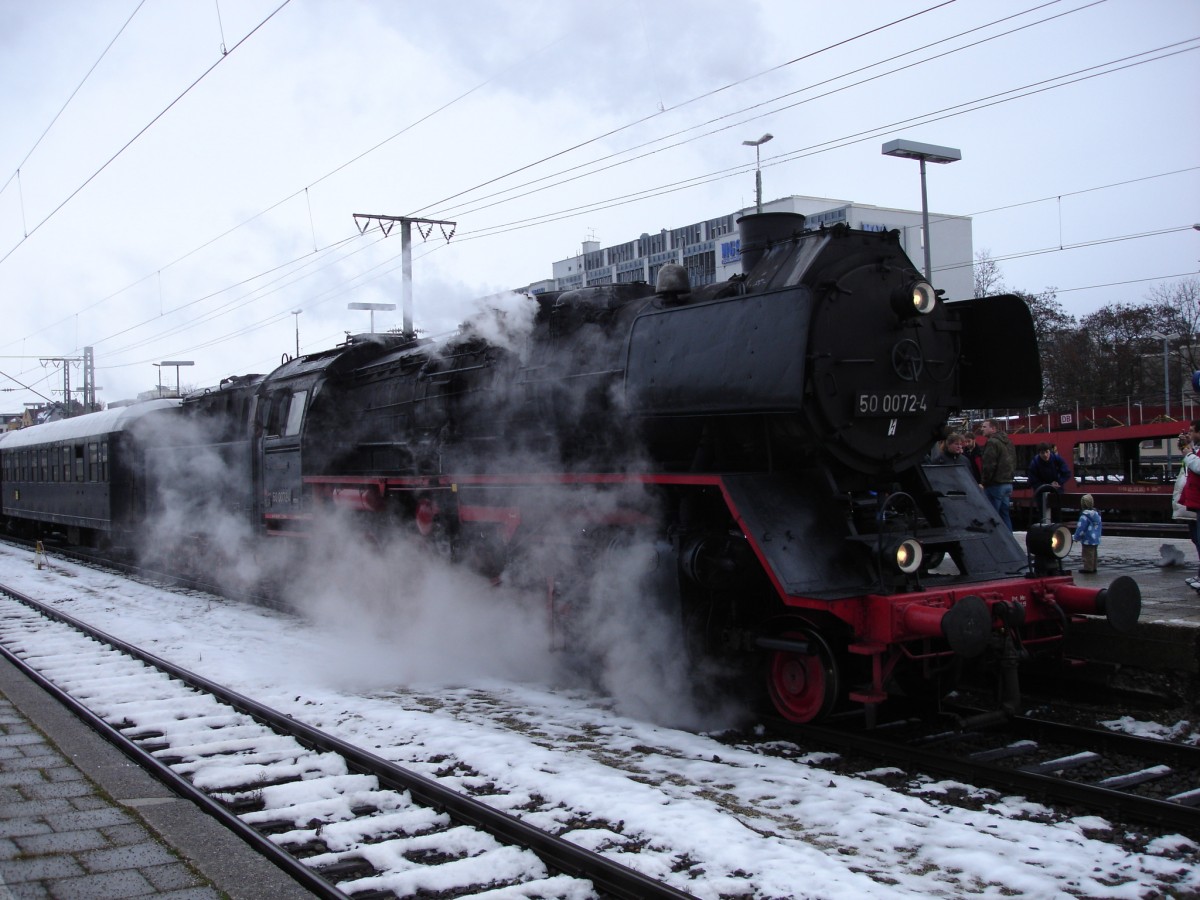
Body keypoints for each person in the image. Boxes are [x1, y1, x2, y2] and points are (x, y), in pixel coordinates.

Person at [1175, 422, 1200, 591]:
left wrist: (1189, 454)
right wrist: (1186, 448)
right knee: (1196, 538)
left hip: (1197, 500)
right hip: (1194, 501)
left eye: (1192, 431)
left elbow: (1197, 466)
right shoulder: (1196, 449)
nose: (1189, 434)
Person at [979, 418, 1016, 529]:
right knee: (1005, 516)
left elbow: (989, 465)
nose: (982, 429)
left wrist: (984, 482)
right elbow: (1013, 461)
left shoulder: (992, 442)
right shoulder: (1008, 441)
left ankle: (994, 539)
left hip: (995, 485)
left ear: (993, 428)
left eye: (984, 427)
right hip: (1007, 484)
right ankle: (1009, 538)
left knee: (991, 516)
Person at [1072, 494, 1102, 573]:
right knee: (1094, 554)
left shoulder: (1084, 516)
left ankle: (1088, 569)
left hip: (1087, 539)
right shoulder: (1097, 515)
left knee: (1087, 554)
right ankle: (1094, 567)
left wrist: (1076, 537)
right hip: (1096, 538)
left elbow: (1081, 528)